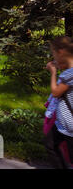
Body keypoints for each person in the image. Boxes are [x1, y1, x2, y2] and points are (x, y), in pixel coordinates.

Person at [44, 36, 73, 169]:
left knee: (53, 147)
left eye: (54, 54)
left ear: (60, 52)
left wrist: (53, 72)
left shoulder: (69, 75)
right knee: (51, 145)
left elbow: (56, 92)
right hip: (62, 123)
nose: (53, 57)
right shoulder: (69, 72)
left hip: (69, 126)